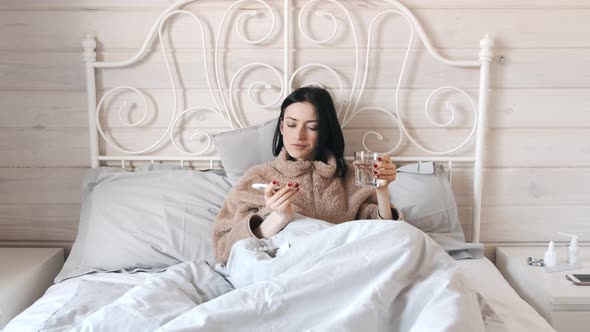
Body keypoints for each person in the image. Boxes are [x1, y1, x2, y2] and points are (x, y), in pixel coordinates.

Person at [213, 86, 402, 264]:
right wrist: (277, 218)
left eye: (312, 127)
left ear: (325, 132)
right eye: (291, 124)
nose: (299, 136)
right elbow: (224, 250)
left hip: (340, 266)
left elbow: (384, 237)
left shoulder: (351, 177)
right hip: (283, 269)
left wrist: (382, 192)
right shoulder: (257, 176)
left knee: (412, 239)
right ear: (281, 127)